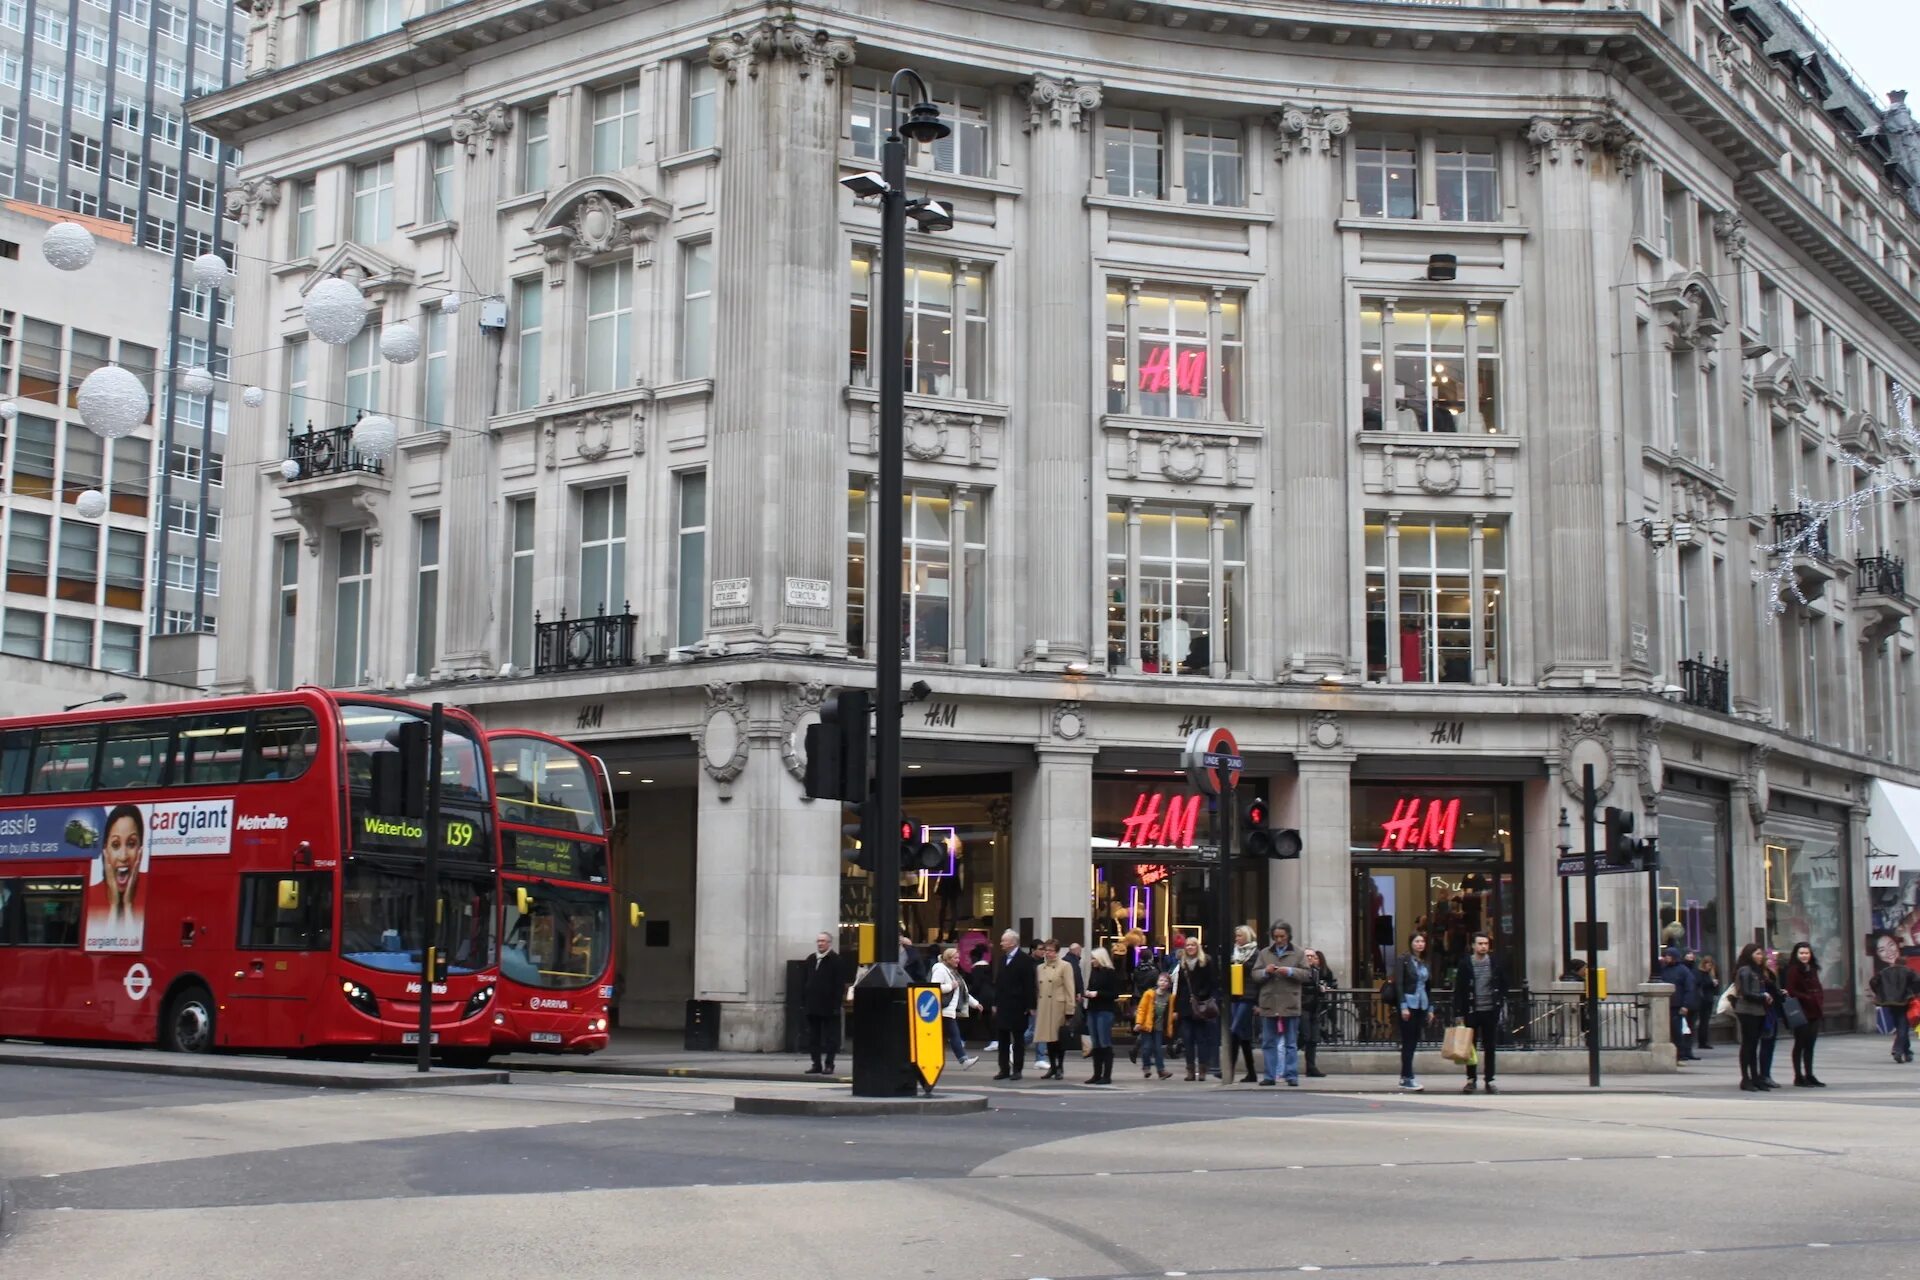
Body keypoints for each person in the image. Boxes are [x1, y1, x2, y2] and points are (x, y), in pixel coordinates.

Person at [1250, 921, 1312, 1087]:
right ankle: (1270, 1076)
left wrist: (1290, 971)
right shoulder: (1264, 953)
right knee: (1268, 1042)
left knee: (1291, 1043)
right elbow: (1255, 975)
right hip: (1269, 1002)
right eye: (1276, 937)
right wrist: (1266, 972)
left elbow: (1307, 974)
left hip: (1290, 1002)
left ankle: (1291, 1076)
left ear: (1288, 936)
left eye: (1282, 937)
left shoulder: (1298, 953)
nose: (1278, 940)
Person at [1451, 932, 1508, 1094]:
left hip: (1490, 1010)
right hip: (1472, 1010)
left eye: (1486, 944)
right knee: (1470, 1047)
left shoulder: (1495, 963)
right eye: (1480, 944)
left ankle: (1489, 1079)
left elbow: (1504, 983)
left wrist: (1499, 999)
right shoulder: (1466, 963)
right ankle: (1471, 1079)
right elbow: (1459, 989)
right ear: (1474, 946)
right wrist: (1458, 1013)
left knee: (1490, 1046)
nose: (1483, 946)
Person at [1171, 936, 1220, 1080]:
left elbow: (1212, 983)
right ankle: (1190, 1070)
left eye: (1193, 945)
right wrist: (1175, 1009)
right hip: (1186, 1006)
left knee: (1201, 1039)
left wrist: (1202, 996)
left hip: (1201, 1005)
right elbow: (1179, 987)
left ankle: (1203, 1069)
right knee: (1187, 1039)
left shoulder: (1206, 962)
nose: (1190, 948)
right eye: (1187, 945)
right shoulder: (1183, 963)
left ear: (1197, 947)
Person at [991, 929, 1037, 1080]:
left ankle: (1017, 1069)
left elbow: (1029, 984)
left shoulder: (1025, 960)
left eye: (1004, 941)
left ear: (1012, 942)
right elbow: (998, 983)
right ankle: (1003, 1069)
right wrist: (995, 1002)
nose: (1001, 943)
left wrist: (1030, 1006)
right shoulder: (1003, 959)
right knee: (1003, 1039)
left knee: (1018, 1040)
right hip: (1003, 1005)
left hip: (1018, 1006)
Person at [1868, 930, 1919, 1064]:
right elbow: (1918, 982)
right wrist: (1913, 993)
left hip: (1890, 1002)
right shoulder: (1908, 971)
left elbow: (1873, 982)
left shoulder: (1884, 972)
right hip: (1904, 1002)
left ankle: (1907, 1052)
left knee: (1900, 1026)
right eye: (1881, 949)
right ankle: (1898, 1050)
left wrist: (1880, 993)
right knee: (1903, 1027)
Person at [1395, 932, 1437, 1091]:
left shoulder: (1424, 963)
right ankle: (1407, 1076)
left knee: (1413, 1041)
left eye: (1422, 941)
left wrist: (1430, 1008)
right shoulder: (1404, 960)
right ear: (1411, 943)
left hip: (1422, 1004)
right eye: (1417, 941)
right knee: (1408, 1042)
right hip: (1409, 1004)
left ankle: (1406, 1075)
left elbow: (1428, 986)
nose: (1420, 944)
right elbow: (1399, 984)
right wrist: (1403, 1006)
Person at [1781, 941, 1825, 1087]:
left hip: (1814, 1010)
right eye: (1801, 953)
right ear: (1796, 954)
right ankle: (1798, 1076)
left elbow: (1817, 986)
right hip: (1801, 1010)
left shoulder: (1812, 968)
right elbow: (1791, 990)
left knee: (1810, 1045)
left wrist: (1818, 998)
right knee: (1800, 1043)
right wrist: (1808, 997)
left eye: (1806, 953)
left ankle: (1810, 1074)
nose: (1804, 956)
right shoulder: (1793, 970)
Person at [1032, 940, 1076, 1081]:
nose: (1048, 953)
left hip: (1059, 1006)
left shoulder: (1065, 966)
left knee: (1058, 1039)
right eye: (1046, 950)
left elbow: (1070, 988)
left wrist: (1070, 1008)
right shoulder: (1040, 968)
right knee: (1048, 1039)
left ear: (1057, 952)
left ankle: (1060, 1067)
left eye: (1051, 950)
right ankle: (1052, 1066)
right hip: (1045, 1005)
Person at [799, 931, 843, 1075]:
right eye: (818, 941)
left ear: (829, 943)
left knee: (831, 1037)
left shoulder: (835, 960)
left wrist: (836, 1005)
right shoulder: (811, 959)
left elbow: (839, 985)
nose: (820, 943)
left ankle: (829, 1064)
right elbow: (804, 981)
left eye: (823, 941)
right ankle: (816, 1064)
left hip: (829, 1006)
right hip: (812, 1005)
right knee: (813, 1037)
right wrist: (804, 1001)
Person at [930, 945, 981, 1067]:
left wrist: (975, 1004)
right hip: (943, 1009)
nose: (958, 960)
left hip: (948, 1010)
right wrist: (950, 987)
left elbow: (964, 992)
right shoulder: (941, 970)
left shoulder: (954, 973)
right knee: (954, 1035)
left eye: (958, 958)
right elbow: (933, 988)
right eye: (955, 958)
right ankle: (963, 1060)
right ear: (947, 959)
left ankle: (933, 1061)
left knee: (944, 1037)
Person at [1082, 946, 1121, 1085]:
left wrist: (1097, 993)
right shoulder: (1094, 972)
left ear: (1100, 959)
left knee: (1104, 1042)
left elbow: (1115, 993)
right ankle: (1096, 1074)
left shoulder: (1110, 973)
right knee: (1096, 1043)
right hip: (1093, 1009)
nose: (1092, 961)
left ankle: (1107, 1075)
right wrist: (1087, 993)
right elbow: (1091, 988)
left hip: (1105, 1010)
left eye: (1094, 958)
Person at [1228, 925, 1260, 1083]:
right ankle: (1251, 1072)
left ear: (1247, 936)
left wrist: (1258, 1001)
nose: (1237, 939)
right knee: (1244, 1035)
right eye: (1236, 936)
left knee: (1234, 1030)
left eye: (1239, 936)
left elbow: (1257, 976)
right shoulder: (1234, 952)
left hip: (1248, 996)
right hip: (1235, 994)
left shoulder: (1255, 953)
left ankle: (1229, 1068)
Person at [1655, 947, 1698, 1062]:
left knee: (1677, 1031)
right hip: (1665, 1004)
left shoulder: (1683, 970)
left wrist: (1685, 1005)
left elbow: (1689, 988)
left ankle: (1680, 1053)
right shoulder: (1663, 968)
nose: (1666, 958)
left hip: (1676, 1005)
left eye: (1668, 956)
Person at [1300, 948, 1337, 1079]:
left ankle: (1311, 1067)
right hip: (1303, 1007)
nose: (1310, 958)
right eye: (1307, 956)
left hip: (1314, 1007)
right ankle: (1289, 1066)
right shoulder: (1301, 972)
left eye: (1312, 956)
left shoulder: (1317, 971)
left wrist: (1321, 989)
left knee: (1313, 1039)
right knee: (1303, 1037)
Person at [1135, 972, 1175, 1079]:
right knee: (1147, 1047)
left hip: (1159, 1027)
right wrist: (1138, 1023)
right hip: (1146, 1026)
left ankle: (1161, 1070)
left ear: (1169, 984)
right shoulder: (1149, 994)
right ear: (1157, 982)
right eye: (1161, 980)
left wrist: (1169, 1029)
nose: (1163, 983)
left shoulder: (1170, 998)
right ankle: (1146, 1066)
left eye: (1166, 981)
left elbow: (1170, 1013)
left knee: (1158, 1049)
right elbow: (1141, 1009)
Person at [1756, 949, 1784, 1087]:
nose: (1773, 963)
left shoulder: (1771, 974)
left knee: (1770, 1044)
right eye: (1769, 960)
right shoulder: (1760, 975)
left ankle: (1765, 1074)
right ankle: (1763, 1075)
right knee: (1766, 1044)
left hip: (1772, 1012)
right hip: (1765, 1013)